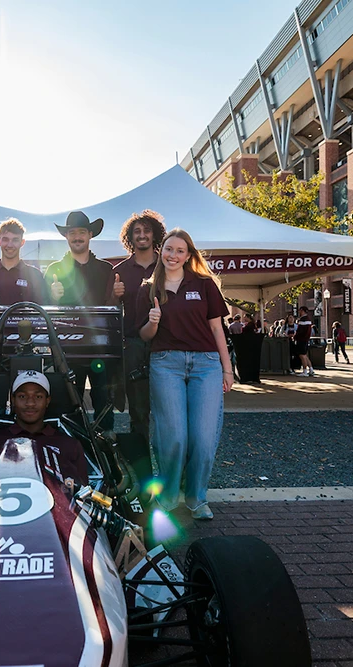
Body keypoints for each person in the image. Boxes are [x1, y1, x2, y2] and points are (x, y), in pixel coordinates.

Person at [137, 228, 233, 521]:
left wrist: (227, 369)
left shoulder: (204, 285)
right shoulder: (149, 288)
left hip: (206, 365)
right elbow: (144, 335)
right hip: (166, 364)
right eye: (169, 249)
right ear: (160, 251)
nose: (173, 255)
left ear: (189, 255)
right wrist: (153, 322)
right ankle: (167, 497)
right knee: (174, 436)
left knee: (203, 438)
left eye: (180, 250)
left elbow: (217, 329)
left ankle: (196, 498)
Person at [45, 211, 115, 432]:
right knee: (66, 405)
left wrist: (117, 295)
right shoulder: (54, 269)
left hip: (100, 348)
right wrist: (52, 297)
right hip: (66, 348)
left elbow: (112, 308)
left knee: (104, 402)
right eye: (72, 232)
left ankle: (104, 456)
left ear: (90, 234)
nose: (77, 237)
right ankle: (68, 454)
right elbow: (42, 309)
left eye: (81, 232)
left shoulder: (106, 269)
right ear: (66, 236)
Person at [0, 370, 89, 485]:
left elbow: (83, 496)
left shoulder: (69, 445)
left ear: (47, 401)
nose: (30, 403)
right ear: (13, 400)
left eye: (38, 397)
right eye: (22, 396)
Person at [108, 210, 165, 443]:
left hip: (166, 344)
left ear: (155, 234)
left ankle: (169, 467)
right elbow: (110, 310)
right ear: (130, 237)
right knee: (139, 411)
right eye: (137, 231)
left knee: (167, 409)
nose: (142, 235)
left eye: (146, 230)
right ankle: (141, 469)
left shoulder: (167, 264)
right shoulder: (119, 271)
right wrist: (114, 295)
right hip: (132, 346)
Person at [0, 218, 47, 305]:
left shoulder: (35, 275)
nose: (10, 245)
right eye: (5, 239)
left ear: (22, 242)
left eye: (15, 240)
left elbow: (43, 312)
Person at [293, 306, 315, 377]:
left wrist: (295, 337)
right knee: (304, 355)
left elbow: (300, 331)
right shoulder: (308, 319)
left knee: (302, 355)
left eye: (300, 310)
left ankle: (305, 371)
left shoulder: (303, 320)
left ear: (302, 311)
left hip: (301, 339)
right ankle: (311, 369)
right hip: (305, 339)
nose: (299, 312)